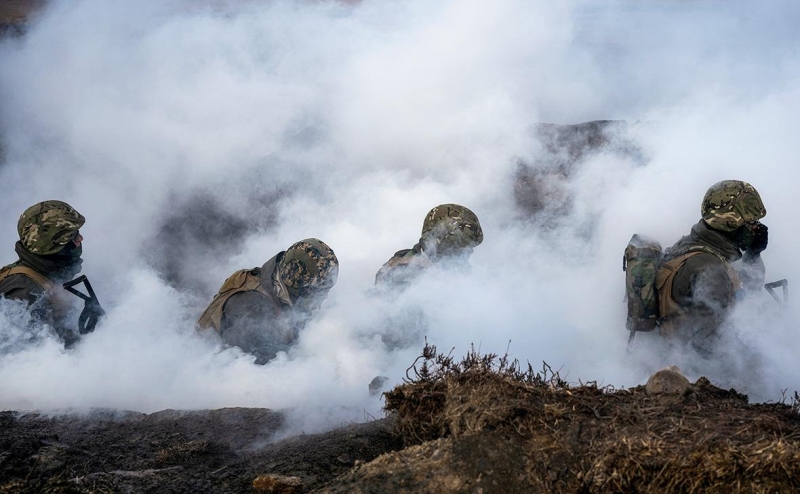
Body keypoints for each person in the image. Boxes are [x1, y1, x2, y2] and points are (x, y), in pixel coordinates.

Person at [655, 180, 768, 356]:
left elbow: (744, 287)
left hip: (666, 352)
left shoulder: (689, 244)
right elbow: (709, 348)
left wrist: (753, 256)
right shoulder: (712, 271)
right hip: (690, 371)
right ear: (731, 223)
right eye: (752, 222)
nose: (757, 229)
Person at [197, 238, 338, 364]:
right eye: (317, 291)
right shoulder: (254, 309)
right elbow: (253, 375)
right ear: (297, 285)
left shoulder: (280, 286)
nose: (324, 298)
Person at [0, 200, 89, 346]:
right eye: (72, 236)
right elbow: (25, 360)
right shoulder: (22, 292)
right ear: (50, 246)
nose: (80, 239)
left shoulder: (48, 275)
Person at [374, 204, 483, 288]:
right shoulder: (404, 275)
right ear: (438, 239)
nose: (467, 251)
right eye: (460, 244)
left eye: (468, 246)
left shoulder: (450, 270)